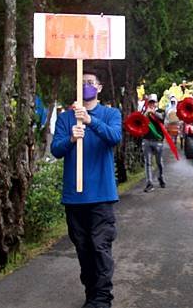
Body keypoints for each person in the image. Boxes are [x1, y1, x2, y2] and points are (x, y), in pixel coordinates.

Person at [51, 71, 122, 308]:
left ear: (99, 88)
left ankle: (102, 300)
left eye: (90, 83)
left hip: (102, 195)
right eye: (82, 83)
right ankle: (92, 295)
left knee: (100, 246)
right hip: (74, 197)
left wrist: (91, 121)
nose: (86, 86)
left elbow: (114, 137)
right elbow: (56, 150)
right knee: (84, 249)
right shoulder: (66, 118)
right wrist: (71, 138)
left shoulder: (110, 114)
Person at [142, 94, 166, 192]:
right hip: (147, 140)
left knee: (159, 162)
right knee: (148, 163)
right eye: (150, 102)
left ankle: (160, 177)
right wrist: (146, 114)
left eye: (153, 102)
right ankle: (149, 183)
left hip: (158, 141)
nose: (152, 104)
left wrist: (153, 112)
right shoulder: (145, 112)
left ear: (156, 103)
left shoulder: (160, 111)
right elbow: (140, 121)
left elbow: (161, 118)